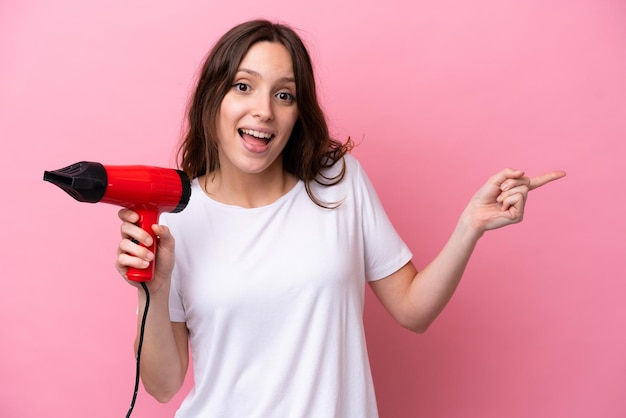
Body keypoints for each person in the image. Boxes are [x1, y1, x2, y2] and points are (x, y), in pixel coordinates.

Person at [115, 19, 565, 418]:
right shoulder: (178, 217)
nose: (263, 110)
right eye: (243, 86)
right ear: (212, 98)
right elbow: (164, 385)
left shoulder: (336, 182)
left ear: (297, 113)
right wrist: (151, 290)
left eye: (284, 94)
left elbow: (413, 310)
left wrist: (470, 225)